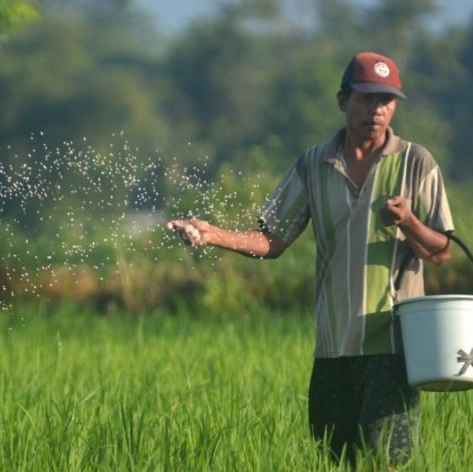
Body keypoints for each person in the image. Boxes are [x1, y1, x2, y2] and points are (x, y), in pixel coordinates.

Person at [168, 51, 454, 467]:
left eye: (387, 101)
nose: (377, 110)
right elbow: (273, 240)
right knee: (333, 459)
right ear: (343, 101)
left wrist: (408, 220)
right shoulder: (313, 163)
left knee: (385, 461)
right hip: (332, 348)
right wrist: (213, 234)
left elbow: (442, 251)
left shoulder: (416, 162)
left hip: (392, 348)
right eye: (367, 98)